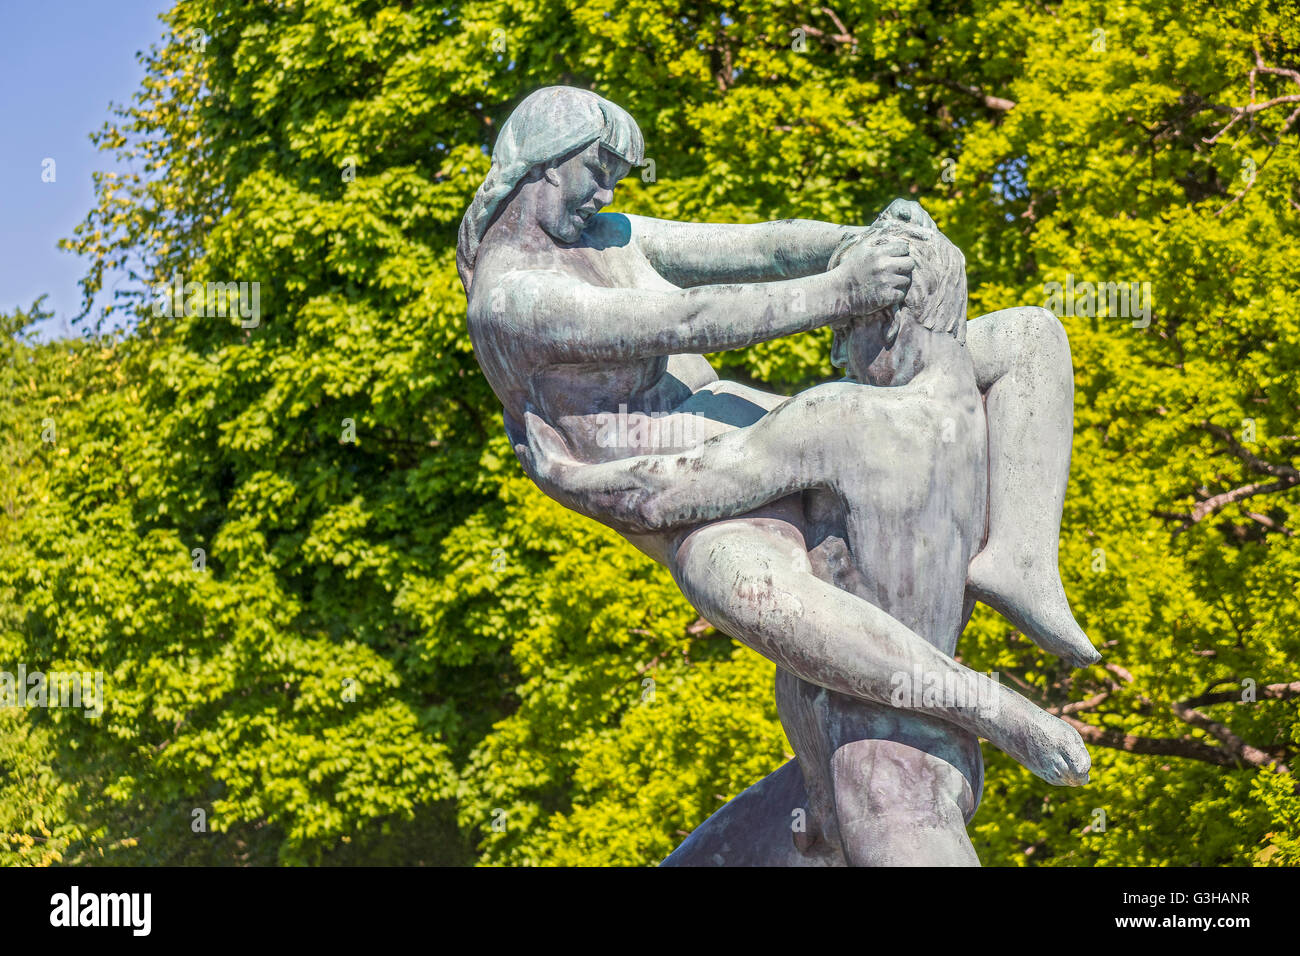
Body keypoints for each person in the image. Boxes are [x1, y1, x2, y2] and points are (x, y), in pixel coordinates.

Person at [459, 87, 1097, 821]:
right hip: (672, 489)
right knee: (753, 591)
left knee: (1025, 339)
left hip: (742, 424)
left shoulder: (610, 236)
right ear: (542, 162)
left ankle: (1019, 560)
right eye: (596, 168)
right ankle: (987, 706)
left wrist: (860, 240)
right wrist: (838, 290)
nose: (607, 190)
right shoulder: (511, 300)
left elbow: (760, 244)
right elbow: (685, 319)